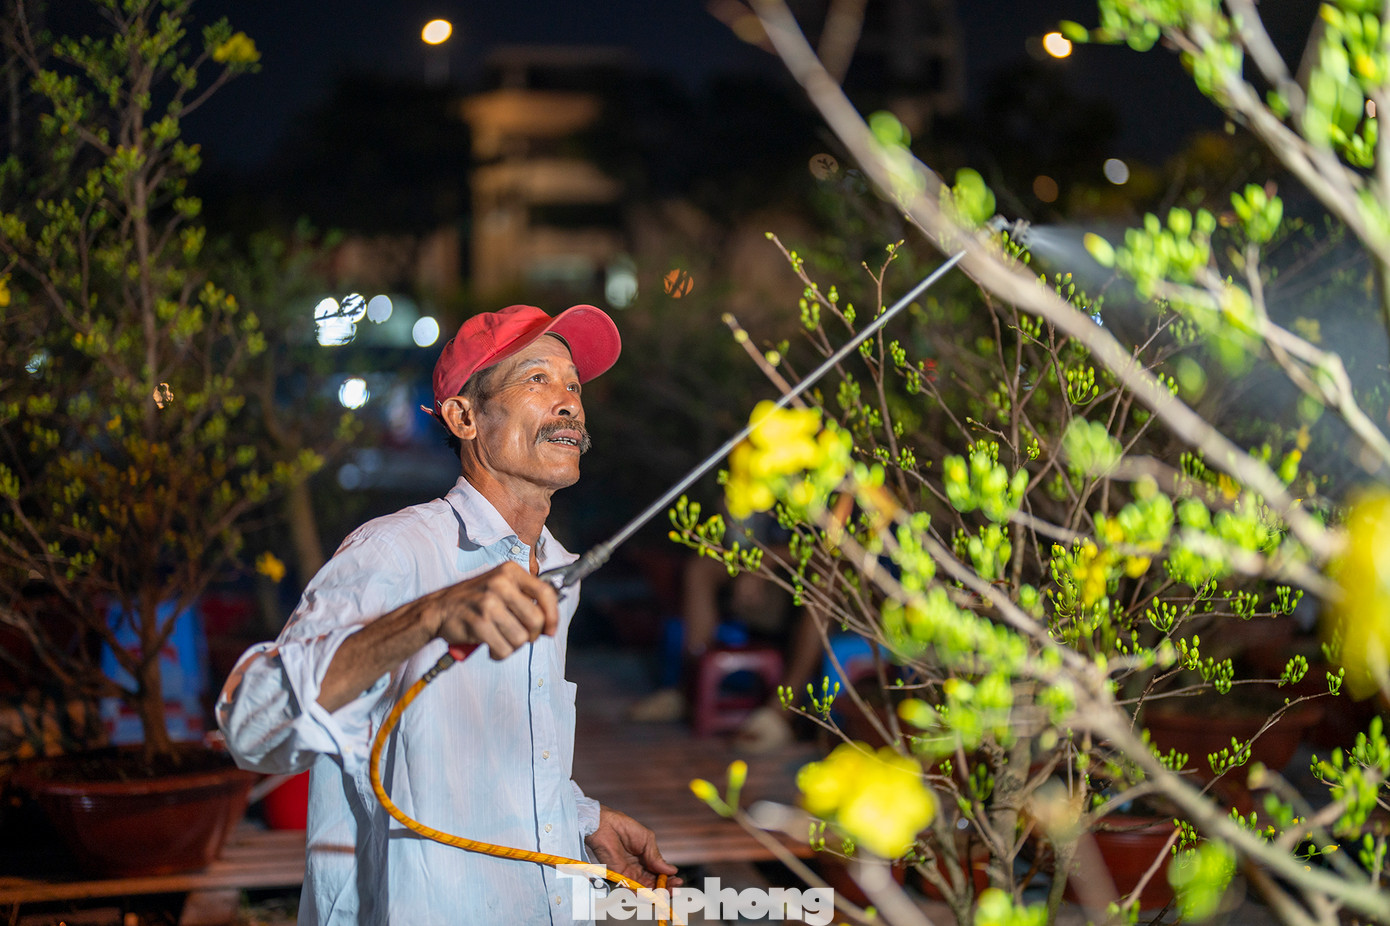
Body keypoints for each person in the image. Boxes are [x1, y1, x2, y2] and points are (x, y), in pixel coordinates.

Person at [217, 304, 678, 925]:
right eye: (536, 379)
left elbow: (482, 758)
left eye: (572, 384)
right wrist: (428, 615)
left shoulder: (557, 571)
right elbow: (252, 730)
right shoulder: (396, 552)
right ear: (464, 417)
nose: (568, 401)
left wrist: (582, 821)